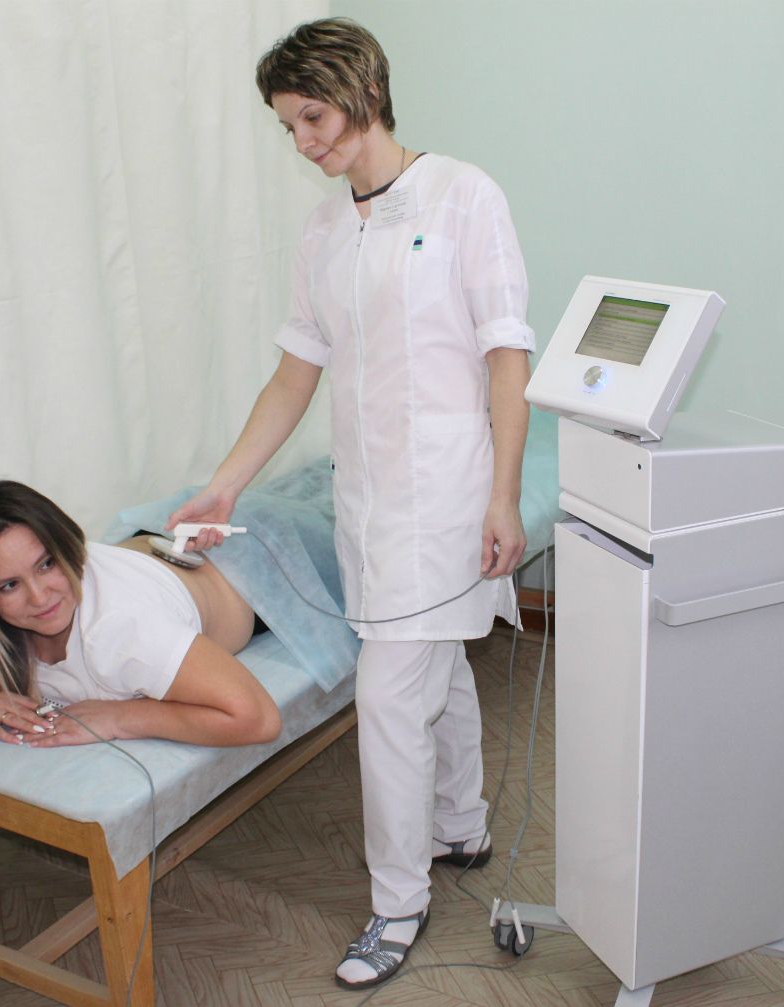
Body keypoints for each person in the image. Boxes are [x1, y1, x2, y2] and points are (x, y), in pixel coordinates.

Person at [166, 17, 534, 990]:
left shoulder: (463, 196)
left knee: (390, 694)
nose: (302, 142)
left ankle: (397, 903)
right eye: (289, 126)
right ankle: (461, 824)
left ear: (364, 93)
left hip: (448, 498)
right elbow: (295, 375)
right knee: (436, 664)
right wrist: (226, 482)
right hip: (366, 506)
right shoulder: (325, 229)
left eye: (312, 118)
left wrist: (503, 494)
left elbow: (507, 355)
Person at [0, 480, 281, 749]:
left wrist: (122, 718)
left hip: (251, 577)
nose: (39, 597)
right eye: (9, 585)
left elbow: (258, 718)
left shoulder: (125, 629)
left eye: (46, 564)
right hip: (153, 553)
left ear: (71, 550)